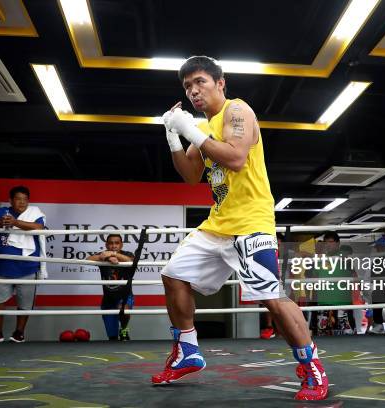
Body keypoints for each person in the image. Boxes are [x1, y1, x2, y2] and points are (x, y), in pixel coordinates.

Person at [153, 56, 328, 400]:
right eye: (187, 86)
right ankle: (187, 350)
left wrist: (190, 129)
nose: (193, 91)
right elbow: (190, 176)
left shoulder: (237, 111)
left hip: (251, 223)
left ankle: (311, 365)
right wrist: (173, 136)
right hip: (217, 224)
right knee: (172, 275)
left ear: (220, 83)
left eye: (199, 81)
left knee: (272, 299)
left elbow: (234, 158)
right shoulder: (202, 129)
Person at [0, 186, 45, 343]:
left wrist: (15, 222)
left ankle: (19, 332)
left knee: (25, 303)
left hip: (28, 267)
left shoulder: (35, 213)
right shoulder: (3, 212)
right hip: (4, 265)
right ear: (11, 200)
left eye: (25, 199)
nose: (22, 202)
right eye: (18, 199)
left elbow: (39, 227)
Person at [87, 234, 135, 341]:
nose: (114, 246)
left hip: (125, 296)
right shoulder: (103, 255)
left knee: (124, 310)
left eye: (117, 243)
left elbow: (131, 261)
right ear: (106, 245)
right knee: (112, 337)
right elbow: (88, 259)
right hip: (108, 298)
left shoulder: (127, 254)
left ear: (121, 245)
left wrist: (113, 255)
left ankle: (123, 329)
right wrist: (105, 257)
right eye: (111, 243)